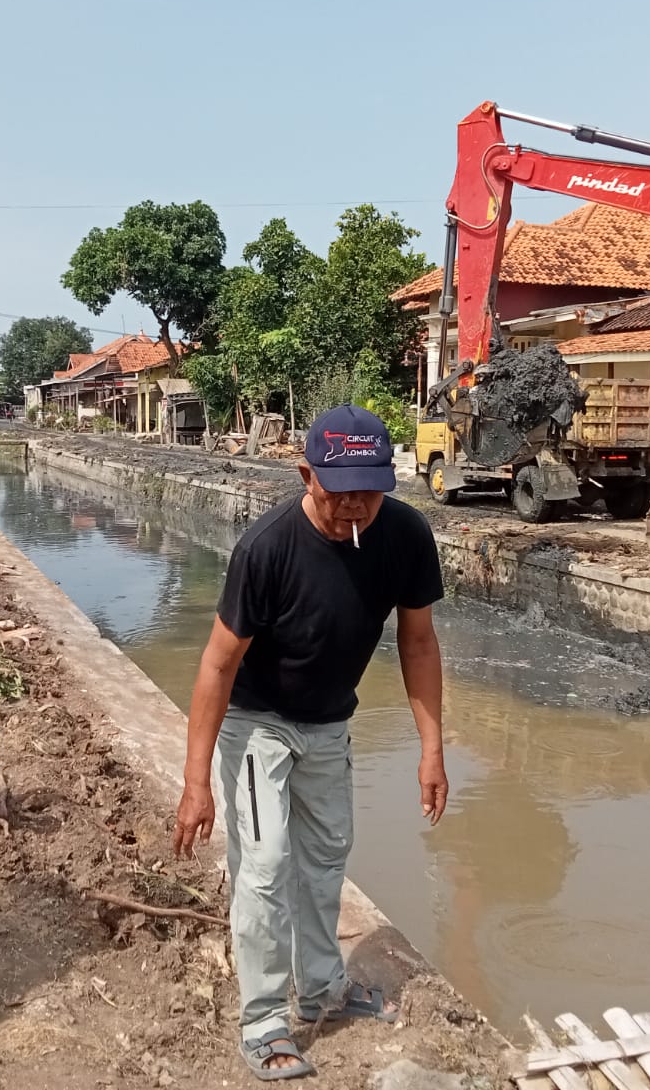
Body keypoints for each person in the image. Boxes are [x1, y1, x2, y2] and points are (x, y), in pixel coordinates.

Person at [172, 405, 448, 1081]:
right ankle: (264, 1020)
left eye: (370, 488)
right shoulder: (267, 547)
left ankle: (324, 986)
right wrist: (196, 780)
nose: (355, 504)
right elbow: (216, 663)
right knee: (264, 869)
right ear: (307, 474)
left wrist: (432, 747)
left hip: (329, 723)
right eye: (339, 488)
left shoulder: (406, 536)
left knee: (325, 860)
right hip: (258, 723)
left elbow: (417, 640)